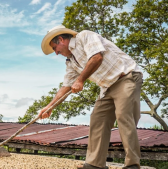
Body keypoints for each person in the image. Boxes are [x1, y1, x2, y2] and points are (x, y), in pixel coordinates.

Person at [39, 25, 143, 169]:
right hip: (107, 87)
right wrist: (50, 106)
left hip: (126, 77)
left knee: (123, 116)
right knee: (97, 119)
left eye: (55, 48)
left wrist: (80, 80)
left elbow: (97, 57)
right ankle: (95, 165)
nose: (56, 53)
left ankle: (132, 164)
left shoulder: (84, 36)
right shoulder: (71, 61)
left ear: (61, 39)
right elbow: (66, 86)